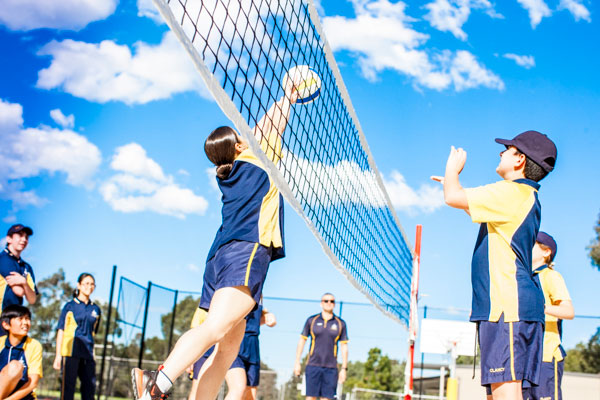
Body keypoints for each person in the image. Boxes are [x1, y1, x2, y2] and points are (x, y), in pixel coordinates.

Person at [132, 79, 298, 400]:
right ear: (238, 147)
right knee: (215, 331)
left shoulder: (229, 170)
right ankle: (156, 382)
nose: (247, 135)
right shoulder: (255, 160)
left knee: (225, 353)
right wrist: (288, 96)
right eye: (240, 137)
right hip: (246, 249)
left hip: (220, 256)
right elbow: (272, 124)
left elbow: (260, 130)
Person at [431, 130, 557, 400]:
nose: (501, 152)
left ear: (520, 160)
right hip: (511, 307)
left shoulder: (512, 192)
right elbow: (468, 204)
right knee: (499, 394)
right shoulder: (522, 196)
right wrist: (452, 185)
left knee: (506, 395)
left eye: (508, 149)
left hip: (508, 308)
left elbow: (452, 197)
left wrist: (453, 171)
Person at [188, 303, 277, 400]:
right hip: (232, 343)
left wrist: (266, 317)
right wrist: (191, 356)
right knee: (238, 387)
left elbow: (253, 321)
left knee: (249, 395)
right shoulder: (226, 295)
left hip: (252, 348)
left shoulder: (258, 296)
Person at [523, 232, 574, 400]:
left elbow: (568, 311)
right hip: (524, 356)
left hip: (545, 356)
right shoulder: (523, 278)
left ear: (546, 252)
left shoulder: (551, 276)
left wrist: (539, 307)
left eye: (532, 243)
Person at [53, 273, 101, 400]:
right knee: (68, 390)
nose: (89, 287)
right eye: (86, 283)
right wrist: (58, 355)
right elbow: (61, 330)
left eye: (92, 284)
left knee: (89, 389)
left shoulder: (96, 309)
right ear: (79, 285)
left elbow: (93, 331)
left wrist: (93, 353)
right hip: (70, 353)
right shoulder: (69, 306)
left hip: (88, 354)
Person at [294, 293, 348, 400]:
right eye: (326, 301)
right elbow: (302, 341)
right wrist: (297, 363)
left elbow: (344, 347)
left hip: (331, 367)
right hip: (313, 365)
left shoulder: (340, 323)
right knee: (310, 398)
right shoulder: (312, 320)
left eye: (332, 301)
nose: (329, 303)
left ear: (334, 304)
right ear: (321, 303)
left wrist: (344, 368)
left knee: (327, 398)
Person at [0, 224, 38, 336]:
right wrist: (24, 287)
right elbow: (19, 291)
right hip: (2, 317)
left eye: (26, 237)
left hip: (15, 320)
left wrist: (23, 282)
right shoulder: (3, 260)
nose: (24, 239)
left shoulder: (26, 267)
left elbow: (32, 299)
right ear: (9, 239)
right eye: (20, 235)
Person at [0, 305, 43, 400]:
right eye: (20, 319)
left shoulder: (34, 345)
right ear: (6, 325)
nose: (25, 323)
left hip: (23, 397)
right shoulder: (1, 343)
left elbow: (33, 383)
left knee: (15, 366)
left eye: (27, 319)